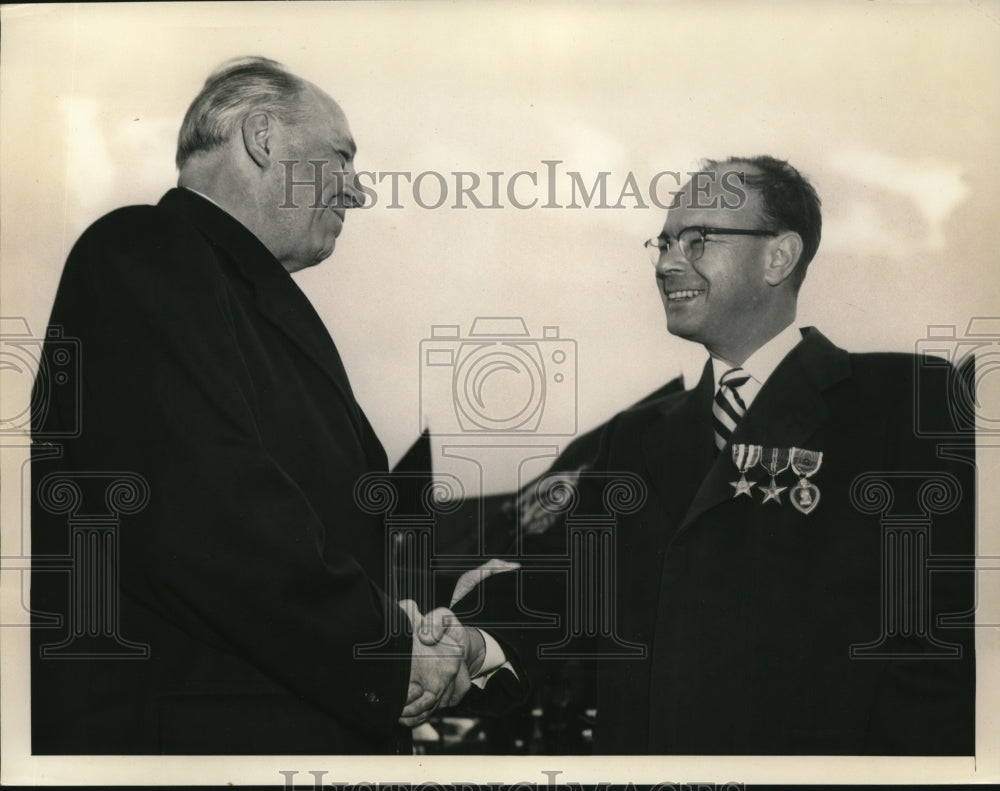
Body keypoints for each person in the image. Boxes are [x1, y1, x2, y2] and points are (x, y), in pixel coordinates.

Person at [30, 56, 506, 755]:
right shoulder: (144, 249)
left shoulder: (224, 290)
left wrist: (434, 621)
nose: (359, 191)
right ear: (262, 137)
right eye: (341, 157)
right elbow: (208, 505)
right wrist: (388, 648)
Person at [440, 156, 976, 754]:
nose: (668, 263)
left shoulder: (903, 402)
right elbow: (570, 590)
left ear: (780, 256)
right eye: (665, 242)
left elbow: (943, 639)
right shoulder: (634, 438)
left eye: (698, 241)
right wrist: (472, 641)